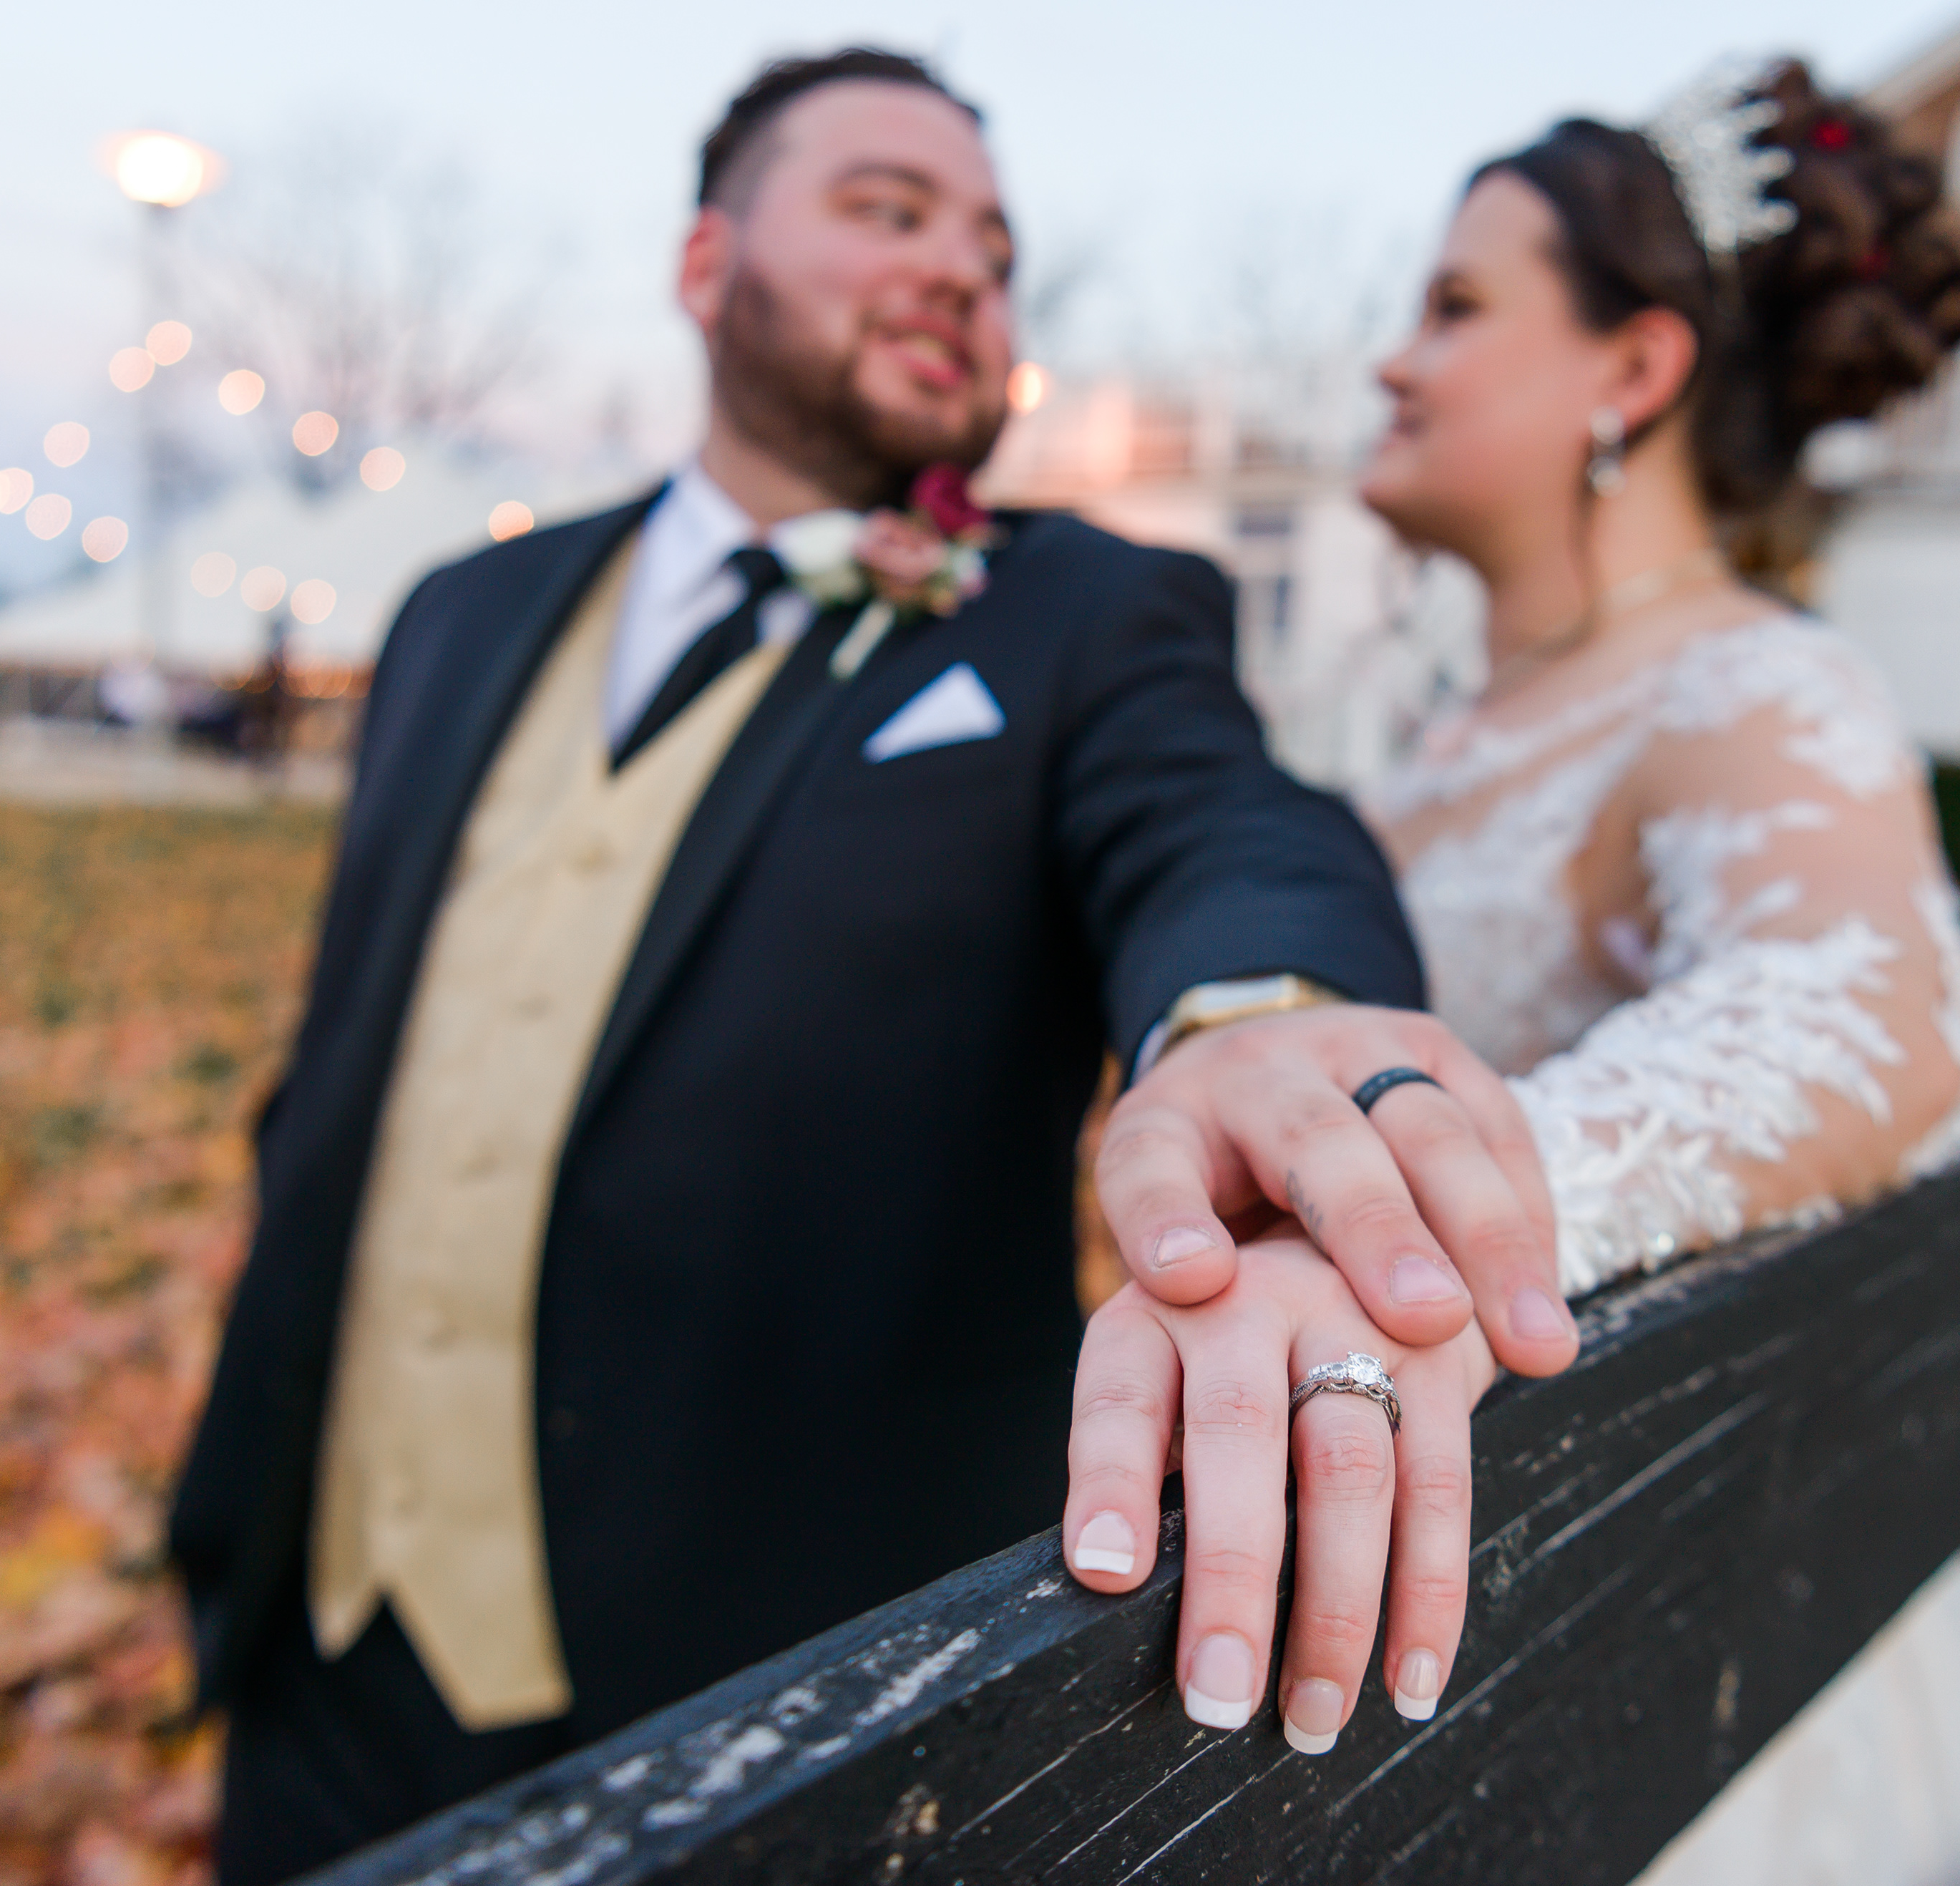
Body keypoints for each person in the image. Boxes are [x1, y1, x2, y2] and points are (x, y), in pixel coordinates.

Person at [172, 49, 1576, 1882]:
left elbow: (1222, 825)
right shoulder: (461, 612)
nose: (960, 272)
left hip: (765, 1695)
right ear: (707, 263)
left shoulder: (1088, 614)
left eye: (992, 249)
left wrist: (1262, 1028)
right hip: (317, 1653)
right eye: (886, 210)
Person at [1063, 59, 1960, 1882]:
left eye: (1454, 307)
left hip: (1683, 1606)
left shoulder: (1751, 678)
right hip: (1449, 1579)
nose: (1391, 363)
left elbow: (1869, 1023)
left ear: (1633, 370)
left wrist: (1421, 1236)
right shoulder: (1430, 745)